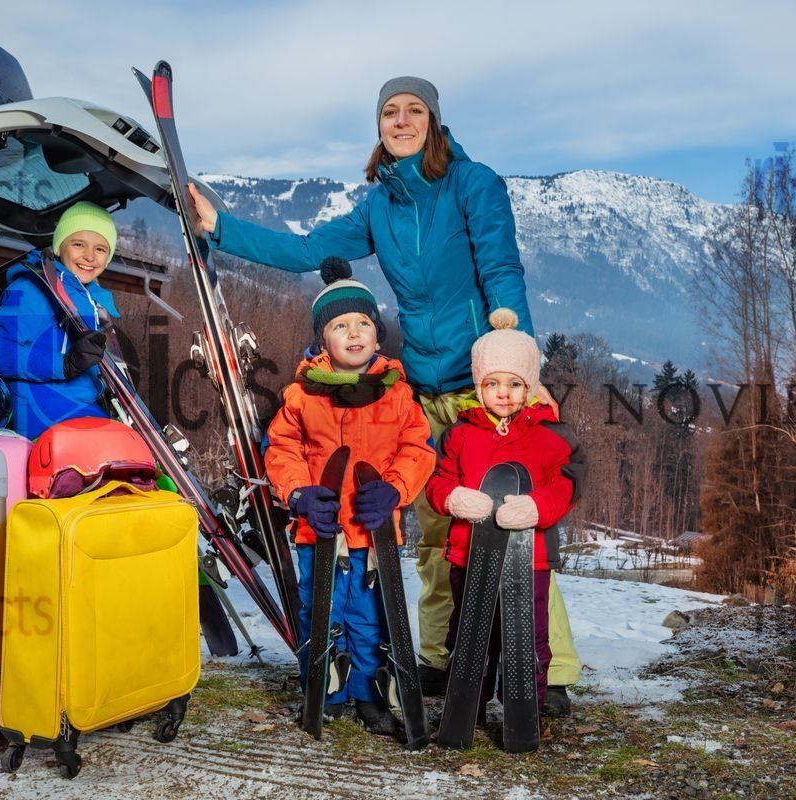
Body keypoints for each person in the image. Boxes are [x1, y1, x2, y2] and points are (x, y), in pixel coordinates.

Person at [186, 76, 581, 713]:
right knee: (432, 532)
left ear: (433, 120)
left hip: (485, 384)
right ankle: (443, 657)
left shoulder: (473, 184)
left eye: (414, 110)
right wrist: (221, 229)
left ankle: (547, 667)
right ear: (379, 126)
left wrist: (520, 369)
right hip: (420, 387)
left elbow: (503, 271)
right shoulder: (379, 205)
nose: (401, 121)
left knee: (514, 524)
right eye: (389, 113)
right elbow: (311, 249)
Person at [265, 258, 435, 736]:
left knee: (370, 617)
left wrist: (396, 489)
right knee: (320, 610)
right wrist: (299, 492)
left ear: (378, 337)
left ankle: (367, 692)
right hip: (319, 531)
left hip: (373, 533)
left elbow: (417, 449)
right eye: (341, 325)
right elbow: (282, 448)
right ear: (324, 340)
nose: (354, 333)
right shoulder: (303, 396)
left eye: (364, 323)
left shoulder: (398, 395)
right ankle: (324, 689)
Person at [425, 309, 585, 722]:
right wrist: (455, 499)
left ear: (530, 386)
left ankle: (523, 709)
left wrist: (537, 506)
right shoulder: (459, 434)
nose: (504, 393)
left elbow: (567, 484)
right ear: (478, 385)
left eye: (515, 384)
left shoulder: (550, 437)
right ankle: (466, 709)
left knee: (526, 638)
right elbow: (437, 482)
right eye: (492, 383)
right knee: (470, 633)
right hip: (468, 555)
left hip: (528, 560)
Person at [0, 201, 115, 439]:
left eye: (101, 249)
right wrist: (62, 365)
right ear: (59, 247)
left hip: (85, 410)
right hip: (41, 416)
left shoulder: (95, 301)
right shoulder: (31, 290)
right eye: (78, 244)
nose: (89, 256)